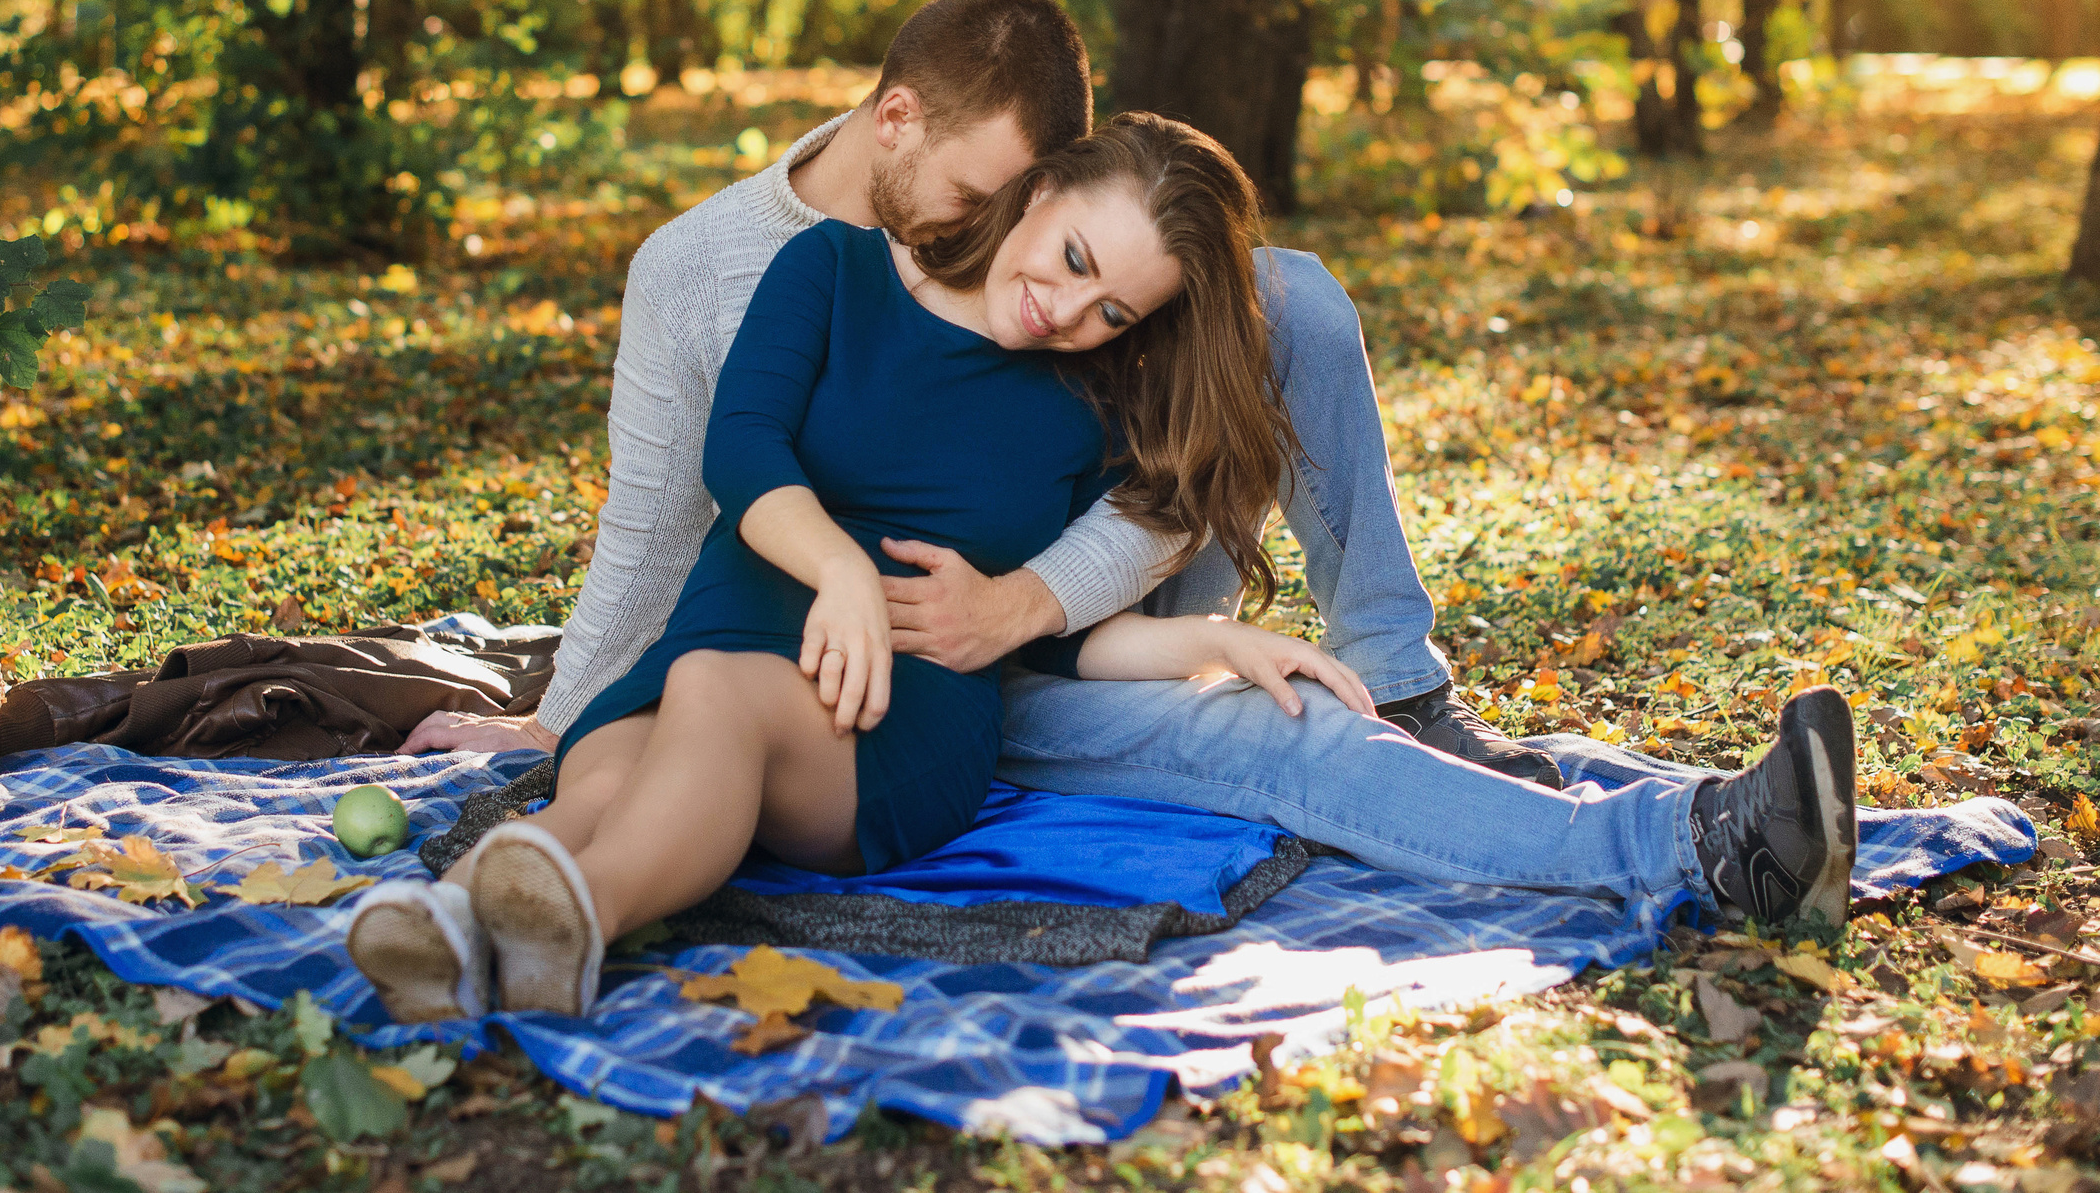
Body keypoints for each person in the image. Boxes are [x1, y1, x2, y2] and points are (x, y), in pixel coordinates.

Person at [347, 118, 1860, 1021]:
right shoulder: (834, 272)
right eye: (1070, 259)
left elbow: (1075, 635)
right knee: (655, 740)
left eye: (1113, 304)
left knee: (1278, 724)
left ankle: (1692, 840)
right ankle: (497, 928)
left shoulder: (1097, 392)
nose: (1071, 308)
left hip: (980, 694)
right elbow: (712, 482)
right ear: (1036, 188)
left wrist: (1221, 644)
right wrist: (563, 712)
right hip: (828, 672)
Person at [404, 0, 1558, 808]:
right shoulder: (709, 269)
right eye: (972, 195)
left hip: (1070, 616)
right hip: (878, 659)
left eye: (1030, 210)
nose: (989, 238)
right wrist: (563, 712)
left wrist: (1026, 603)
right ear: (895, 117)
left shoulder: (1062, 281)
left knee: (1286, 296)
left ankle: (1399, 686)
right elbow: (660, 509)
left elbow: (1154, 481)